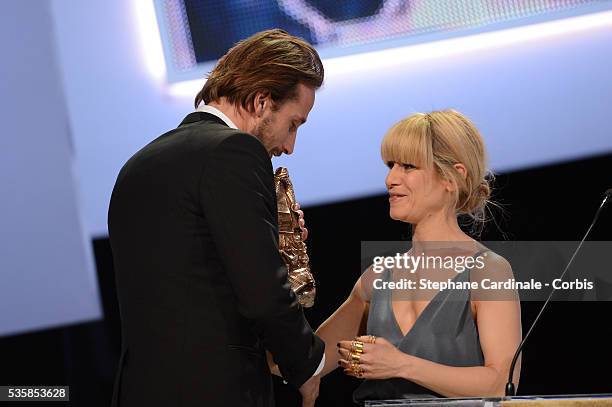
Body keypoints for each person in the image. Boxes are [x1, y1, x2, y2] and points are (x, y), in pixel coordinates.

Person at [108, 29, 325, 407]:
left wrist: (266, 232)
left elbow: (189, 275)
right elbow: (262, 293)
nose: (289, 146)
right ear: (261, 101)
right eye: (293, 124)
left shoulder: (139, 163)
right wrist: (307, 364)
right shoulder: (234, 151)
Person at [311, 110, 522, 403]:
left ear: (453, 177)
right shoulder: (376, 278)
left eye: (408, 166)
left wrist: (400, 364)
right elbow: (309, 361)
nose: (390, 178)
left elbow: (501, 384)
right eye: (390, 165)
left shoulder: (488, 271)